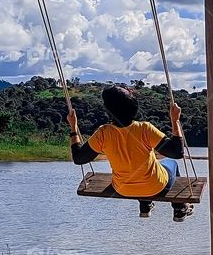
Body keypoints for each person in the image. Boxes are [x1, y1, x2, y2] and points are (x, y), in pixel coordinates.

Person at [67, 84, 193, 222]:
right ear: (133, 106)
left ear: (108, 110)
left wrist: (73, 128)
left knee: (139, 168)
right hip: (156, 187)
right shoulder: (145, 129)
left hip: (123, 189)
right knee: (171, 163)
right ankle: (180, 208)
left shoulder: (103, 132)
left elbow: (79, 158)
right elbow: (177, 152)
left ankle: (145, 205)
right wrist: (175, 120)